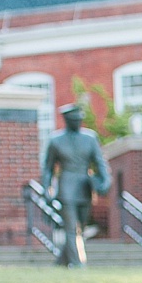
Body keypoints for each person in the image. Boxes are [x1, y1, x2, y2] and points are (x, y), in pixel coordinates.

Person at [41, 104, 109, 268]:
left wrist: (105, 181)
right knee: (71, 228)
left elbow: (100, 163)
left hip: (85, 188)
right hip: (66, 188)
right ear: (66, 120)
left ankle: (60, 262)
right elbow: (48, 169)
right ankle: (78, 263)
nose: (77, 122)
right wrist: (47, 189)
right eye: (74, 119)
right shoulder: (55, 140)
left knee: (81, 228)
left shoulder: (90, 138)